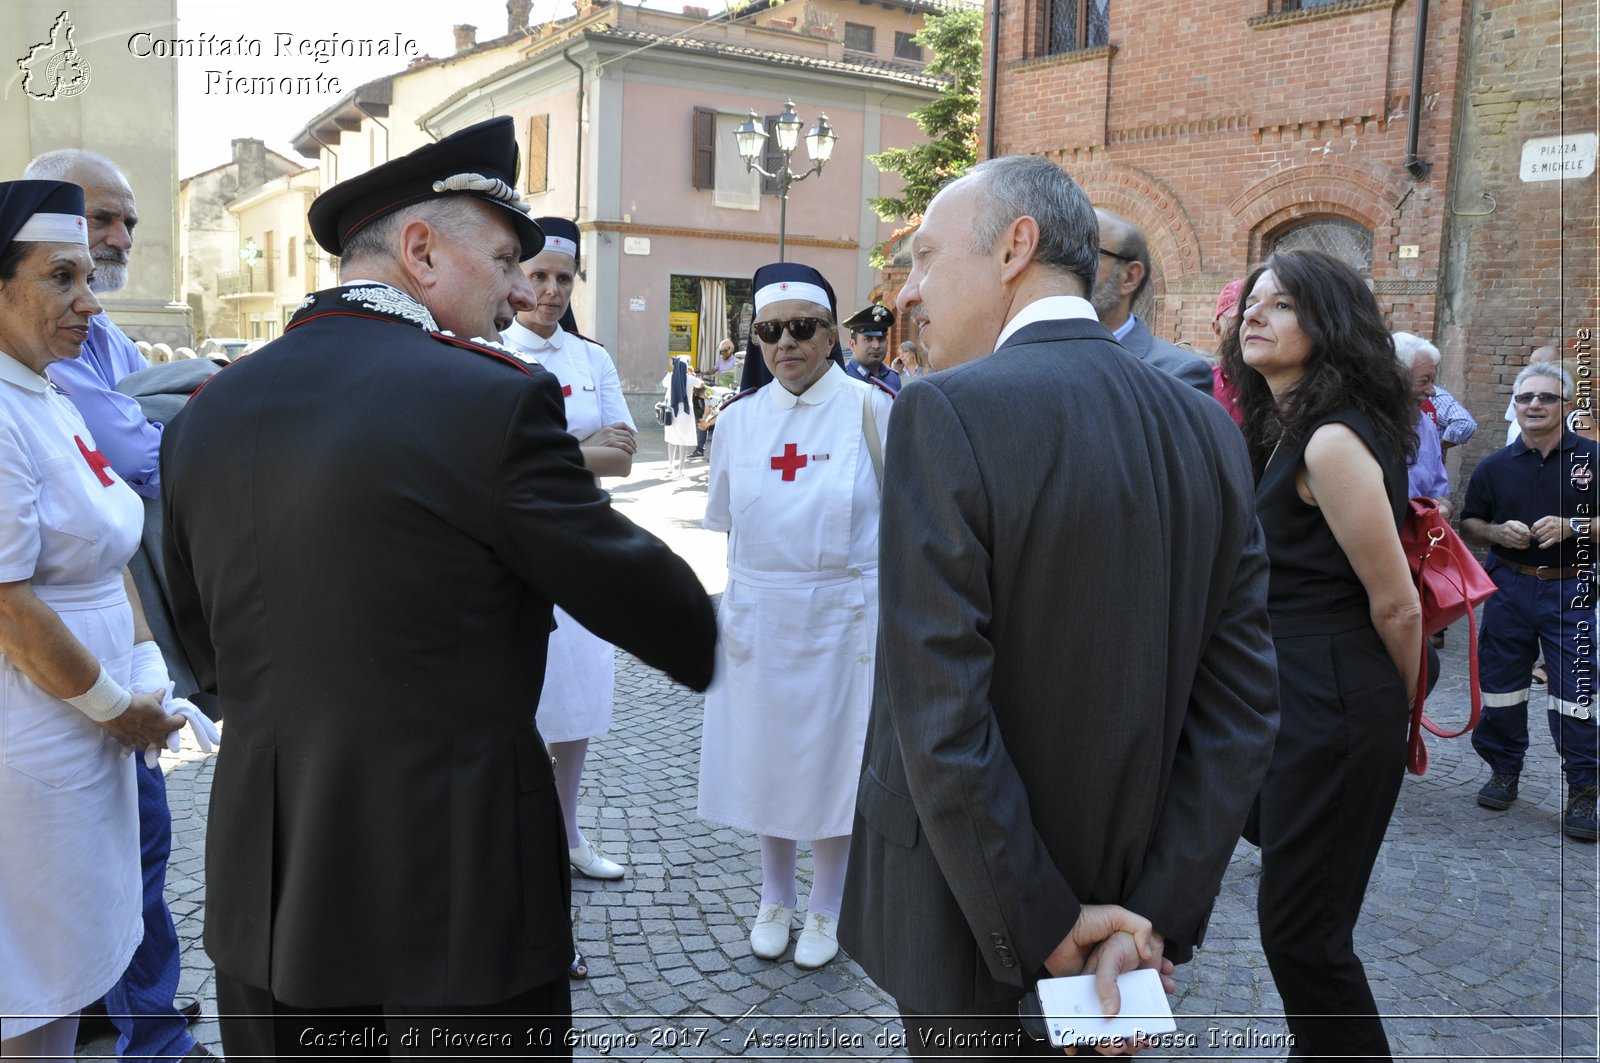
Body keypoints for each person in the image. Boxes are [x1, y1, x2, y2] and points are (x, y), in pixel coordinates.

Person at [159, 117, 717, 1059]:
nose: (516, 290)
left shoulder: (207, 414)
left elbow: (197, 645)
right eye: (503, 259)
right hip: (456, 881)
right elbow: (654, 606)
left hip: (271, 881)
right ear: (420, 251)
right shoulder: (488, 399)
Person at [840, 155, 1278, 1058]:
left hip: (973, 924)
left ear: (1016, 247)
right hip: (1130, 916)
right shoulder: (1208, 427)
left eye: (925, 257)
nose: (912, 292)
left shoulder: (945, 413)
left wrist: (1047, 923)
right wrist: (1145, 918)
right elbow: (1240, 711)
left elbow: (941, 714)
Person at [22, 147, 213, 1062]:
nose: (92, 299)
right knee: (30, 979)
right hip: (43, 732)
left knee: (83, 935)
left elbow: (115, 546)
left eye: (92, 277)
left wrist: (142, 679)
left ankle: (134, 1022)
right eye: (64, 275)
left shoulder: (47, 395)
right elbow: (10, 605)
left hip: (98, 721)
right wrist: (115, 706)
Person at [1233, 249, 1422, 1060]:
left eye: (1281, 304)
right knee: (1303, 922)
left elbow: (1397, 601)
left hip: (1336, 699)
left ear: (1329, 324)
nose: (1255, 312)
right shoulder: (1282, 429)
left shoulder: (1330, 442)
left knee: (1303, 933)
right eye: (1253, 299)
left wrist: (1401, 708)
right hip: (1296, 696)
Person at [700, 262, 894, 972]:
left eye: (803, 329)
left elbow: (902, 522)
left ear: (832, 333)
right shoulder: (741, 421)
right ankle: (774, 894)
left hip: (844, 616)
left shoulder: (874, 410)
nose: (787, 343)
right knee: (765, 756)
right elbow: (728, 524)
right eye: (770, 330)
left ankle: (829, 902)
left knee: (833, 761)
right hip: (760, 614)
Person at [502, 215, 637, 892]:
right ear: (517, 275)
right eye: (538, 275)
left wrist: (539, 454)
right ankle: (510, 841)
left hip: (581, 549)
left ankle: (567, 831)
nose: (550, 290)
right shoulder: (486, 347)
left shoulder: (592, 359)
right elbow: (487, 458)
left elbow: (625, 455)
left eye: (562, 278)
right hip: (510, 553)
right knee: (512, 701)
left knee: (575, 700)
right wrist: (581, 453)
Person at [1462, 361, 1598, 842]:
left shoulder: (1593, 459)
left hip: (1572, 587)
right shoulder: (1495, 467)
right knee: (1501, 685)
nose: (1534, 405)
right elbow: (1470, 524)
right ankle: (1503, 770)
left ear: (1567, 407)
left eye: (1546, 398)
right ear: (1514, 406)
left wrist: (1575, 527)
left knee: (1577, 693)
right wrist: (1495, 532)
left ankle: (1584, 790)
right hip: (1510, 587)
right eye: (1526, 398)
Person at [1089, 208, 1212, 394]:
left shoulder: (1177, 374)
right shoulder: (1038, 349)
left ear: (1130, 277)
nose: (1069, 267)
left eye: (1088, 253)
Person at [1394, 332, 1453, 518]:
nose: (1432, 391)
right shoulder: (1361, 427)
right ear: (1394, 379)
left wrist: (1445, 509)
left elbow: (1438, 494)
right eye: (1424, 381)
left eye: (1432, 381)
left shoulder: (1426, 426)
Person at [841, 303, 902, 392]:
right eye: (868, 339)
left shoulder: (893, 378)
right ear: (852, 344)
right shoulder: (842, 377)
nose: (876, 345)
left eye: (881, 339)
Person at [1210, 278, 1246, 425]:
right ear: (1217, 327)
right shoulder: (1199, 386)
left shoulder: (1282, 393)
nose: (1248, 327)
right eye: (1239, 320)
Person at [661, 354, 700, 476]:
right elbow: (700, 384)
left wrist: (669, 373)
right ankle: (681, 469)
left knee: (672, 440)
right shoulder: (690, 378)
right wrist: (691, 374)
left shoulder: (671, 377)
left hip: (673, 411)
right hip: (686, 413)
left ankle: (670, 465)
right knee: (683, 441)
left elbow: (663, 384)